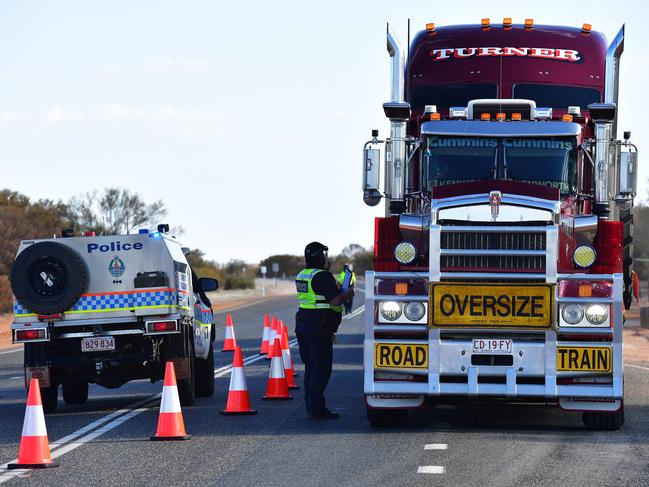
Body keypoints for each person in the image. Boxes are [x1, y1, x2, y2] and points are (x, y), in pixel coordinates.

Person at [295, 242, 354, 420]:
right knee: (321, 368)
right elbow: (336, 301)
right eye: (323, 255)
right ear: (320, 257)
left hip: (303, 323)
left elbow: (318, 294)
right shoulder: (322, 276)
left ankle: (312, 406)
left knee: (311, 367)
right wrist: (348, 293)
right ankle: (318, 409)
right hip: (319, 326)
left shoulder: (302, 275)